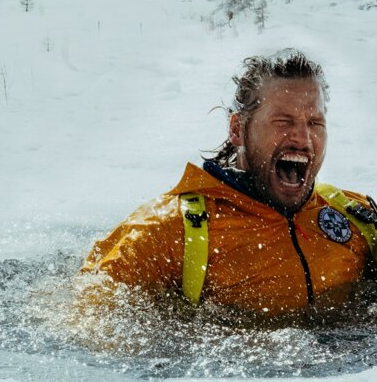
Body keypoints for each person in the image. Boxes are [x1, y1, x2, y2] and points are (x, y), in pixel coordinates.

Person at [81, 49, 376, 316]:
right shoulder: (169, 230)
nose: (302, 138)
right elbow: (85, 319)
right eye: (283, 121)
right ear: (237, 129)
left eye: (315, 123)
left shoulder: (356, 218)